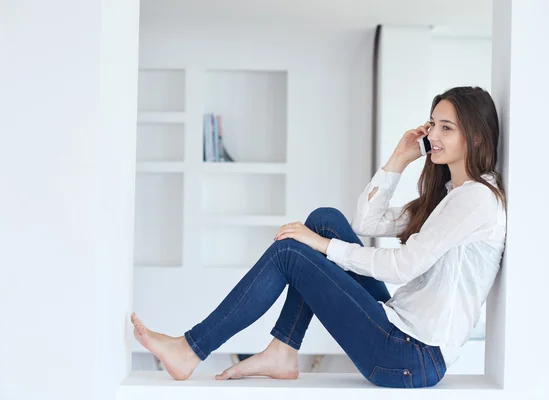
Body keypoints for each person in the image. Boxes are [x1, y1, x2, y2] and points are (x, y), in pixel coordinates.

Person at [131, 86, 507, 388]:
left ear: (474, 136)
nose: (433, 136)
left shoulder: (475, 199)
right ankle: (283, 349)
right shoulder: (450, 198)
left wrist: (323, 247)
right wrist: (399, 157)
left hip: (411, 356)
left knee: (292, 252)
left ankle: (190, 349)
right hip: (401, 336)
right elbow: (366, 220)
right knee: (324, 220)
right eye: (433, 124)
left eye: (447, 127)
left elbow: (403, 265)